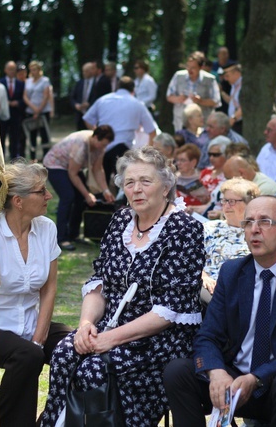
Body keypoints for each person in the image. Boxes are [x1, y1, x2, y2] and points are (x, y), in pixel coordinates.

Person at [40, 146, 205, 426]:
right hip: (108, 326)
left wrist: (110, 339)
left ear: (165, 187)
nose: (136, 189)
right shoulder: (120, 221)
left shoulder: (185, 229)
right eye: (130, 182)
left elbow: (171, 309)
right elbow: (99, 282)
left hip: (159, 338)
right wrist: (85, 326)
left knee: (95, 368)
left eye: (145, 181)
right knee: (65, 353)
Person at [163, 195, 276, 426]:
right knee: (177, 372)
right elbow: (208, 335)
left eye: (264, 222)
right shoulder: (232, 272)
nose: (254, 230)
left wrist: (256, 378)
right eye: (248, 222)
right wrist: (215, 371)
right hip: (234, 377)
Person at [0, 162, 71, 427]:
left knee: (76, 346)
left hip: (32, 325)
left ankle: (52, 420)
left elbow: (49, 288)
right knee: (28, 356)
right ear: (18, 201)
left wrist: (40, 336)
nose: (49, 196)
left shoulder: (46, 228)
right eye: (41, 191)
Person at [43, 126, 115, 251]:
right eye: (102, 144)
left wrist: (106, 191)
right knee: (68, 197)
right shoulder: (81, 145)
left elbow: (98, 169)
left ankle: (73, 234)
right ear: (95, 137)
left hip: (71, 168)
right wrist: (87, 194)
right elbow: (72, 173)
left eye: (106, 146)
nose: (103, 148)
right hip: (55, 165)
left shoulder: (100, 147)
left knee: (80, 199)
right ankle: (61, 238)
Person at [83, 76, 156, 183]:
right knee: (124, 183)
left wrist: (98, 133)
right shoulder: (137, 104)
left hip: (102, 145)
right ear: (133, 90)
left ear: (117, 87)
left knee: (101, 181)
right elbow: (152, 131)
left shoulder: (103, 100)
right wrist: (146, 153)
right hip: (123, 148)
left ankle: (101, 197)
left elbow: (87, 119)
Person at [201, 178, 259, 302]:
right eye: (224, 200)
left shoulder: (257, 233)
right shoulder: (209, 227)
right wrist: (203, 277)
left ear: (250, 204)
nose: (226, 206)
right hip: (204, 288)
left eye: (232, 201)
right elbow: (189, 259)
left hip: (237, 292)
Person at [166, 51, 221, 132]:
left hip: (203, 123)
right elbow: (169, 96)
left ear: (201, 67)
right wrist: (179, 99)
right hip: (181, 121)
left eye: (193, 67)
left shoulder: (210, 79)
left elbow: (216, 101)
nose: (189, 70)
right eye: (188, 66)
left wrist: (201, 101)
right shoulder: (178, 76)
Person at [23, 60, 53, 160]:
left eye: (35, 69)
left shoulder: (45, 81)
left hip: (43, 111)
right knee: (32, 135)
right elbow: (25, 96)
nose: (33, 71)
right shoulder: (28, 81)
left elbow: (46, 96)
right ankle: (32, 158)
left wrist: (38, 110)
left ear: (39, 70)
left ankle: (46, 157)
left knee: (44, 135)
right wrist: (33, 108)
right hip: (31, 111)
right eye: (31, 70)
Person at [0, 60, 26, 158]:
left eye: (14, 69)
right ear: (5, 70)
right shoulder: (0, 83)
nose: (12, 71)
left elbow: (25, 99)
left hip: (16, 115)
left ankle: (14, 159)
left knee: (15, 138)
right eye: (10, 69)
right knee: (1, 137)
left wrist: (18, 103)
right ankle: (1, 158)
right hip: (3, 116)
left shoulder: (21, 84)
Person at [174, 143, 211, 208]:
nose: (178, 163)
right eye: (177, 160)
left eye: (182, 160)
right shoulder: (173, 178)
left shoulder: (202, 178)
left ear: (193, 162)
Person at [70, 62, 95, 131]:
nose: (84, 73)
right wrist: (76, 105)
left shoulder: (97, 83)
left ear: (92, 70)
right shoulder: (79, 83)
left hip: (92, 114)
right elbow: (72, 97)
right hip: (80, 114)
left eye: (86, 71)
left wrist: (89, 104)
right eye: (83, 71)